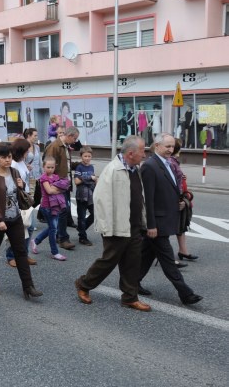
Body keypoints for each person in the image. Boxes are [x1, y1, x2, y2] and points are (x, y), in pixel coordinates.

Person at [74, 136, 152, 311]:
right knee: (109, 260)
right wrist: (106, 226)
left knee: (133, 261)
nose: (145, 154)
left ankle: (130, 297)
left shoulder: (134, 169)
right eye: (142, 151)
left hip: (134, 224)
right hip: (116, 225)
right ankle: (84, 284)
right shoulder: (113, 170)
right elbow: (100, 200)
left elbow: (138, 197)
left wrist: (143, 220)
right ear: (131, 153)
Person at [137, 133, 203, 305]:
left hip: (165, 219)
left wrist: (179, 202)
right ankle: (185, 293)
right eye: (167, 146)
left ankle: (131, 282)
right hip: (156, 224)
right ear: (156, 145)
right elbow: (148, 200)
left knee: (146, 254)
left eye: (172, 146)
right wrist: (150, 225)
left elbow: (170, 189)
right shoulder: (150, 166)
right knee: (168, 260)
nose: (170, 149)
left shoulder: (167, 163)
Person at [0, 144, 43, 299]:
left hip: (15, 217)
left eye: (9, 157)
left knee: (21, 251)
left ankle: (28, 286)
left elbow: (21, 191)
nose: (7, 160)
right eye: (3, 157)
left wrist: (22, 185)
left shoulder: (14, 171)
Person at [44, 126, 80, 250]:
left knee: (62, 212)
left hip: (64, 185)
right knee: (63, 211)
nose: (75, 141)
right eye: (74, 138)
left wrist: (78, 164)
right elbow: (48, 166)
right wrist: (52, 184)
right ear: (69, 136)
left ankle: (58, 236)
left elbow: (66, 165)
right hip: (58, 185)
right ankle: (63, 238)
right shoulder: (54, 147)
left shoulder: (64, 147)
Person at [4, 139, 38, 267]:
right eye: (26, 150)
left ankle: (23, 254)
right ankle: (11, 255)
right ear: (21, 151)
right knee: (17, 230)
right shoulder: (12, 164)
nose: (28, 152)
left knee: (29, 226)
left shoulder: (21, 162)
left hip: (25, 198)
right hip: (16, 200)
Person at [30, 157, 69, 261]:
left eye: (52, 167)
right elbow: (49, 191)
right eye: (48, 167)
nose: (50, 169)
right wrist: (58, 190)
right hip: (47, 207)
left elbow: (64, 186)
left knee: (53, 228)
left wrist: (56, 188)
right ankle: (54, 252)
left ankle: (36, 241)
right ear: (43, 167)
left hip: (55, 206)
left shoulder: (56, 176)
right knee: (53, 229)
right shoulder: (43, 178)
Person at [169, 139, 197, 264]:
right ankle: (164, 256)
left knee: (181, 225)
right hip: (174, 198)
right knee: (166, 229)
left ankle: (183, 251)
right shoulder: (171, 162)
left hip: (179, 197)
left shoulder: (173, 161)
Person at [74, 146, 97, 246]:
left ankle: (81, 228)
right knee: (81, 217)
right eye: (85, 156)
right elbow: (77, 181)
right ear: (81, 156)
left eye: (89, 156)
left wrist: (94, 180)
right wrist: (89, 178)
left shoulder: (91, 167)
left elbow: (94, 179)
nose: (87, 158)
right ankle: (82, 237)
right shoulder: (79, 167)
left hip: (90, 195)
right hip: (81, 195)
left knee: (95, 214)